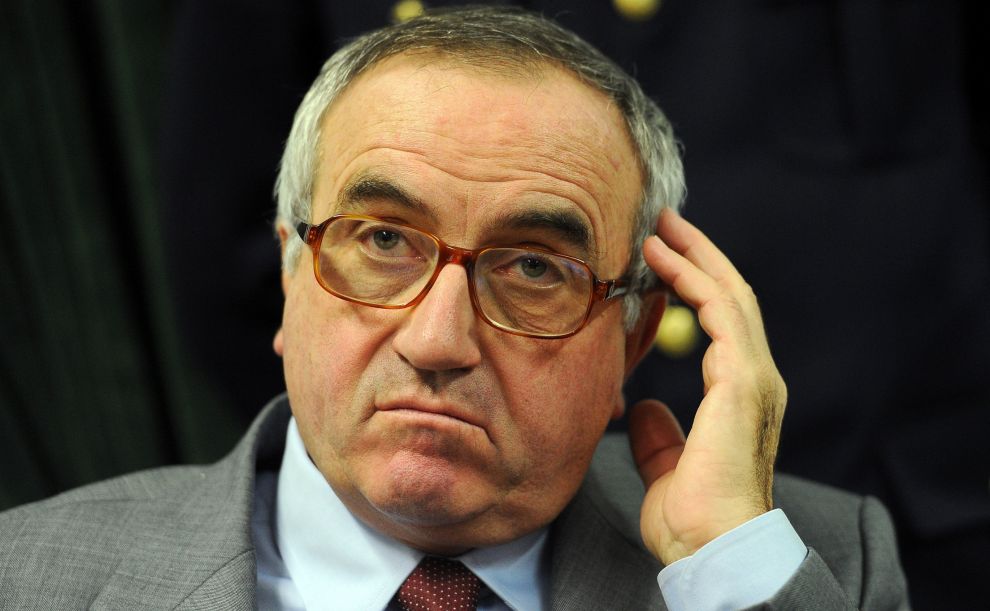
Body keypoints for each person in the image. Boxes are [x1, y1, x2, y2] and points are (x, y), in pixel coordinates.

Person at [0, 7, 907, 609]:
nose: (437, 341)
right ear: (290, 273)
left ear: (632, 341)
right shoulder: (27, 576)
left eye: (533, 266)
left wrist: (730, 574)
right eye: (383, 241)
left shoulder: (805, 565)